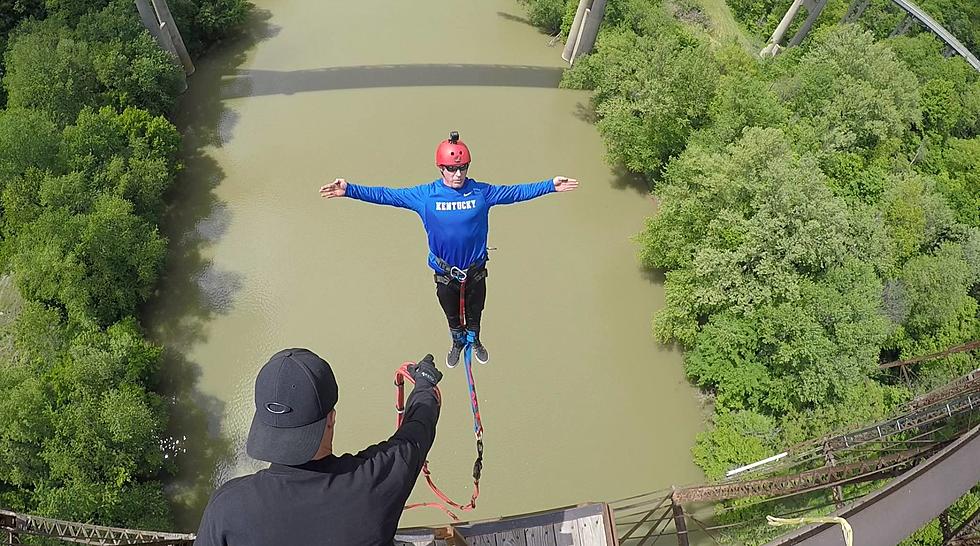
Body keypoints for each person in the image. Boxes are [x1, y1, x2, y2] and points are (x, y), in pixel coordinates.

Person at [319, 131, 579, 368]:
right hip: (446, 275)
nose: (458, 174)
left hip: (475, 272)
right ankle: (457, 342)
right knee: (452, 314)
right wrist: (350, 190)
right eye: (452, 169)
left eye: (462, 168)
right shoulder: (425, 196)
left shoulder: (482, 192)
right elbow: (387, 195)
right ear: (441, 168)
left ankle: (475, 340)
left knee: (476, 312)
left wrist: (550, 185)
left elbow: (515, 192)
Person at [194, 348, 442, 546]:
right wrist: (424, 385)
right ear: (331, 419)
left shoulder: (227, 507)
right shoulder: (375, 482)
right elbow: (418, 430)